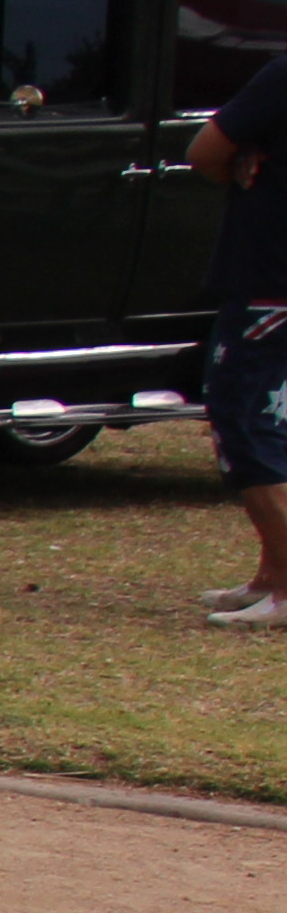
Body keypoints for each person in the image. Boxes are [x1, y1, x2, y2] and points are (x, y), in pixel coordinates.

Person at [180, 65, 287, 626]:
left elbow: (203, 150)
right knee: (269, 417)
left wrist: (241, 153)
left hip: (271, 276)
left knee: (245, 417)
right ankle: (271, 577)